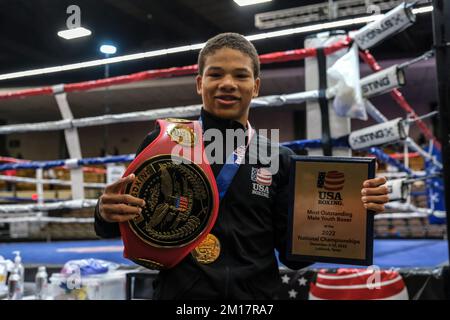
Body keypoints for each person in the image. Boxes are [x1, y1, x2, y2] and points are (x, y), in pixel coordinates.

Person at [94, 33, 389, 299]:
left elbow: (294, 256)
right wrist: (105, 211)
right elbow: (119, 222)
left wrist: (353, 212)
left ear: (256, 86)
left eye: (240, 75)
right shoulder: (164, 141)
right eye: (215, 74)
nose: (227, 84)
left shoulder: (279, 158)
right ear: (200, 83)